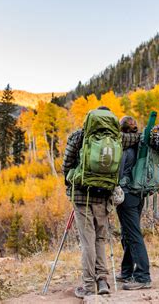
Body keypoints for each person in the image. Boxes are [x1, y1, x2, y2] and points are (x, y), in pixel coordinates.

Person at [62, 106, 140, 298]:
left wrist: (71, 181)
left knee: (87, 240)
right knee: (100, 239)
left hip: (82, 195)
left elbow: (66, 164)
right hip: (104, 196)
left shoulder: (80, 136)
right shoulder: (118, 138)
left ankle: (88, 287)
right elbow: (136, 137)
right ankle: (103, 280)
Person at [115, 116, 151, 290]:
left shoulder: (125, 150)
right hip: (139, 194)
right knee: (128, 233)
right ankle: (127, 270)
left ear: (122, 130)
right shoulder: (141, 147)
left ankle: (142, 276)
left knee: (133, 234)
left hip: (127, 195)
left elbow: (119, 173)